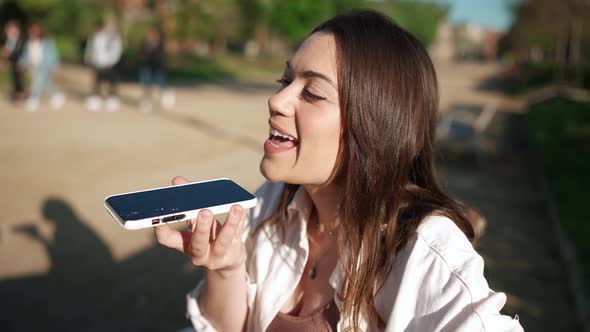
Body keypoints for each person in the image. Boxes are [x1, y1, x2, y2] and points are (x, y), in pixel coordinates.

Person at [155, 10, 524, 332]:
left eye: (312, 92)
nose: (277, 100)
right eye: (286, 81)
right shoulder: (271, 203)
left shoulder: (420, 250)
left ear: (373, 125)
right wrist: (224, 268)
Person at [18, 24, 65, 112]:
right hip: (32, 65)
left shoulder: (47, 43)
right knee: (47, 82)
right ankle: (56, 95)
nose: (32, 34)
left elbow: (54, 55)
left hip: (44, 66)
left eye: (34, 32)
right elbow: (25, 55)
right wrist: (22, 63)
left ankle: (34, 99)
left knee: (37, 82)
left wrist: (54, 68)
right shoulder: (28, 43)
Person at [84, 20, 123, 112]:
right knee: (97, 81)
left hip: (110, 64)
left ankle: (112, 99)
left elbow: (116, 50)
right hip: (97, 63)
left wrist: (112, 61)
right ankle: (96, 98)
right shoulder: (94, 37)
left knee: (112, 82)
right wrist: (88, 61)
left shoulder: (112, 37)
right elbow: (90, 50)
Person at [138, 27, 175, 111]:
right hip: (146, 66)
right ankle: (146, 101)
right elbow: (141, 55)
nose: (150, 36)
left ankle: (167, 97)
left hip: (158, 67)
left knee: (161, 83)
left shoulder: (160, 44)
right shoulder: (144, 44)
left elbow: (161, 56)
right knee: (146, 84)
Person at [2, 20, 25, 101]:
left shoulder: (20, 40)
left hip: (19, 61)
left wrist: (9, 53)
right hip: (13, 61)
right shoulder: (9, 40)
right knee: (14, 77)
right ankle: (18, 93)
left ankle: (20, 93)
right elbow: (7, 51)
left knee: (18, 78)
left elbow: (20, 51)